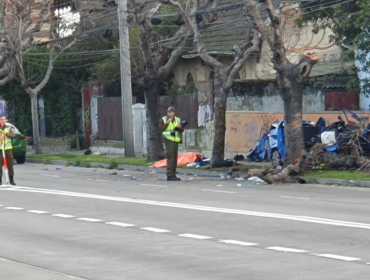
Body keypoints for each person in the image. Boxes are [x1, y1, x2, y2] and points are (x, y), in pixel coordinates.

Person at [159, 107, 184, 181]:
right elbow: (161, 129)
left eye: (170, 112)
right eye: (168, 112)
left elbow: (181, 130)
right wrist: (167, 123)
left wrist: (181, 127)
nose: (169, 113)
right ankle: (169, 175)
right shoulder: (164, 119)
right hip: (168, 140)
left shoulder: (177, 119)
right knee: (170, 157)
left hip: (175, 140)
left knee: (175, 158)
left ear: (174, 113)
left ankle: (173, 174)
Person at [0, 116, 16, 185]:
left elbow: (13, 135)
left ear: (6, 120)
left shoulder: (9, 127)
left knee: (10, 164)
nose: (3, 121)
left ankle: (11, 180)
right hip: (0, 149)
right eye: (1, 119)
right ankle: (0, 180)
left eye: (4, 119)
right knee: (0, 165)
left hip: (8, 149)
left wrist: (6, 133)